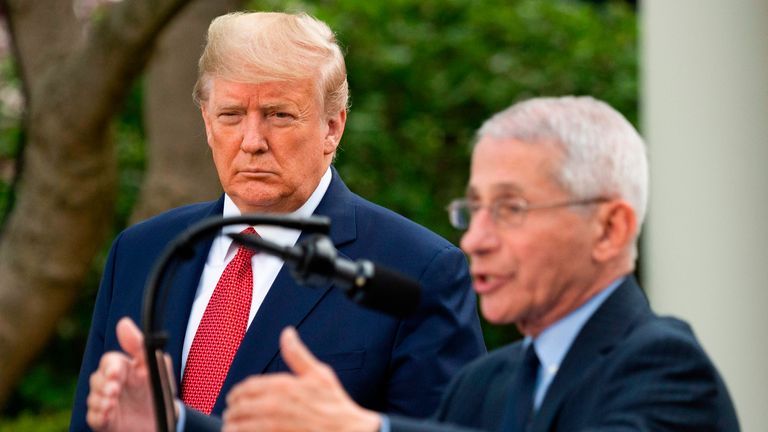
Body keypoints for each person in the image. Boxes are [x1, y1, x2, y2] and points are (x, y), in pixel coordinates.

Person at [220, 96, 740, 432]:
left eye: (511, 209)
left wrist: (365, 429)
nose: (477, 241)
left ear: (609, 229)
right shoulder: (483, 384)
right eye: (474, 209)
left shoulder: (668, 367)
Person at [71, 11, 485, 432]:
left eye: (279, 115)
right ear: (207, 122)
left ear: (332, 126)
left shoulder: (418, 269)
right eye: (231, 115)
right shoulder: (142, 252)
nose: (252, 142)